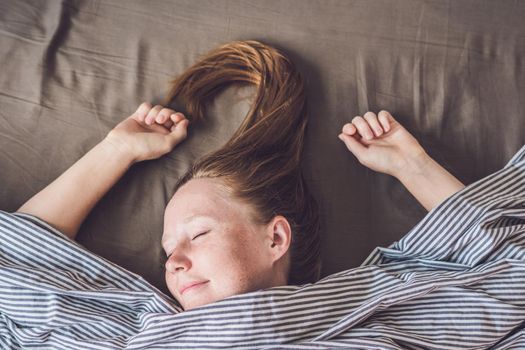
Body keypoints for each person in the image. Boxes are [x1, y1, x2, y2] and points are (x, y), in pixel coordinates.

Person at [15, 40, 465, 312]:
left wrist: (413, 165)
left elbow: (507, 266)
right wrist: (116, 150)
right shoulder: (144, 327)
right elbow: (14, 268)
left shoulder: (365, 310)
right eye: (168, 250)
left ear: (276, 239)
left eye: (199, 233)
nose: (172, 264)